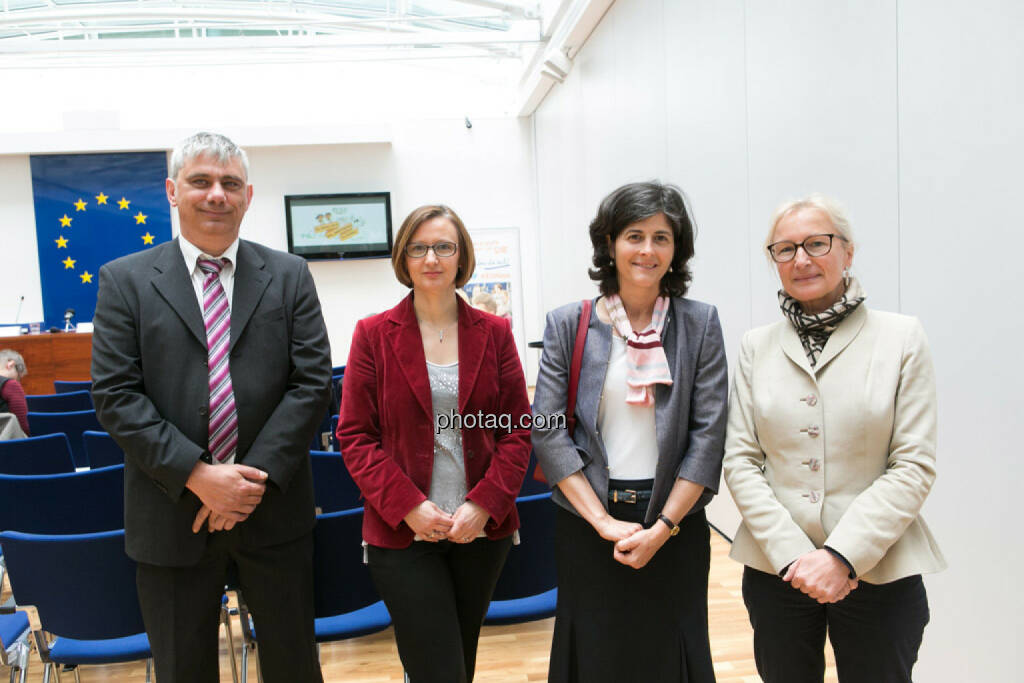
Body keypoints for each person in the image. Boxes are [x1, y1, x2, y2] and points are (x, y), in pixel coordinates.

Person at [91, 132, 332, 683]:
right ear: (173, 192)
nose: (215, 194)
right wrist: (199, 474)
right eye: (200, 181)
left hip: (272, 512)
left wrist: (245, 483)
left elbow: (313, 383)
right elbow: (115, 395)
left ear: (248, 195)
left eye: (229, 184)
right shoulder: (124, 281)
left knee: (295, 666)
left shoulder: (289, 275)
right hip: (171, 514)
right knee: (183, 671)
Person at [723, 194, 946, 683]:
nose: (801, 259)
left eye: (817, 244)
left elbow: (913, 464)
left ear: (847, 252)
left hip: (880, 566)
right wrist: (792, 557)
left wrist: (841, 556)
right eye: (784, 249)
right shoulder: (755, 347)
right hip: (778, 570)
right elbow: (740, 460)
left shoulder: (901, 338)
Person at [531, 181, 728, 683]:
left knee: (674, 654)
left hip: (674, 526)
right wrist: (601, 522)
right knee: (595, 655)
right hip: (588, 525)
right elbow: (549, 433)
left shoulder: (699, 323)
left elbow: (707, 437)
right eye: (634, 235)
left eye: (662, 237)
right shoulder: (567, 324)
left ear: (676, 248)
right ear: (610, 243)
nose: (647, 250)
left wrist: (662, 527)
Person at [337, 204, 531, 683]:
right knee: (438, 668)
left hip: (479, 531)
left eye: (444, 247)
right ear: (403, 257)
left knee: (457, 662)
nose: (432, 258)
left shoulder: (496, 332)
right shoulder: (373, 334)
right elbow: (355, 436)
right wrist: (409, 507)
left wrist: (484, 505)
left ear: (461, 256)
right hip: (404, 532)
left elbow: (517, 431)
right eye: (419, 247)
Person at [0, 349, 29, 438]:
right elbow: (23, 427)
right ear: (10, 364)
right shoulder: (10, 385)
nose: (17, 381)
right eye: (18, 377)